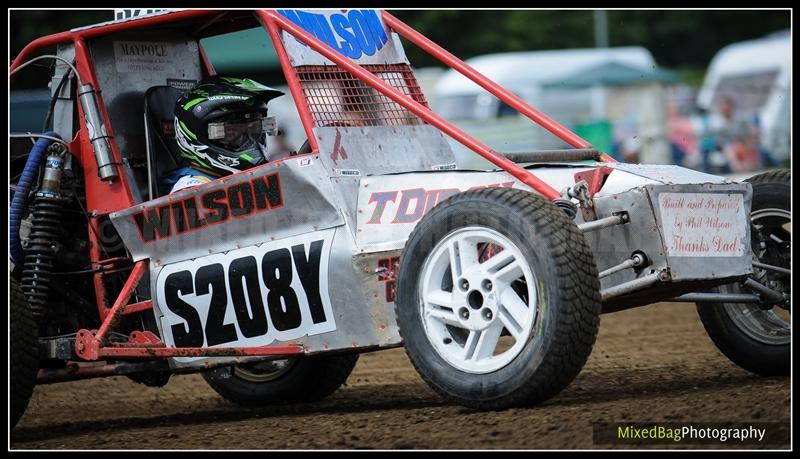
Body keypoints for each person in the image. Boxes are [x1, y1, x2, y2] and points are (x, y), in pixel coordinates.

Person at [165, 76, 284, 193]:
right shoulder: (192, 190)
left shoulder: (235, 179)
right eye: (232, 133)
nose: (249, 142)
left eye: (254, 129)